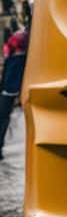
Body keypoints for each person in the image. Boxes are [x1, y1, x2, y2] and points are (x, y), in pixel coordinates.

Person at [0, 25, 29, 158]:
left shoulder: (15, 58)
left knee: (3, 118)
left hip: (9, 92)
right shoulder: (20, 56)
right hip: (10, 91)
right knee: (3, 119)